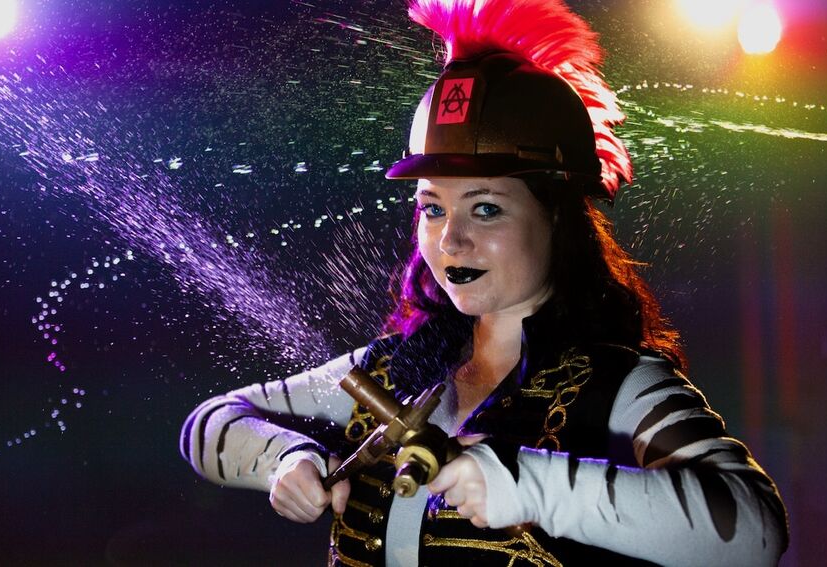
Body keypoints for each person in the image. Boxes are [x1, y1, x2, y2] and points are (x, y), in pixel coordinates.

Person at [180, 0, 789, 565]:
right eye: (432, 208)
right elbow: (209, 422)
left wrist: (529, 485)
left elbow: (755, 532)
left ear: (557, 216)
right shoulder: (396, 369)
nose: (450, 241)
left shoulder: (623, 389)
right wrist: (284, 461)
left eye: (486, 208)